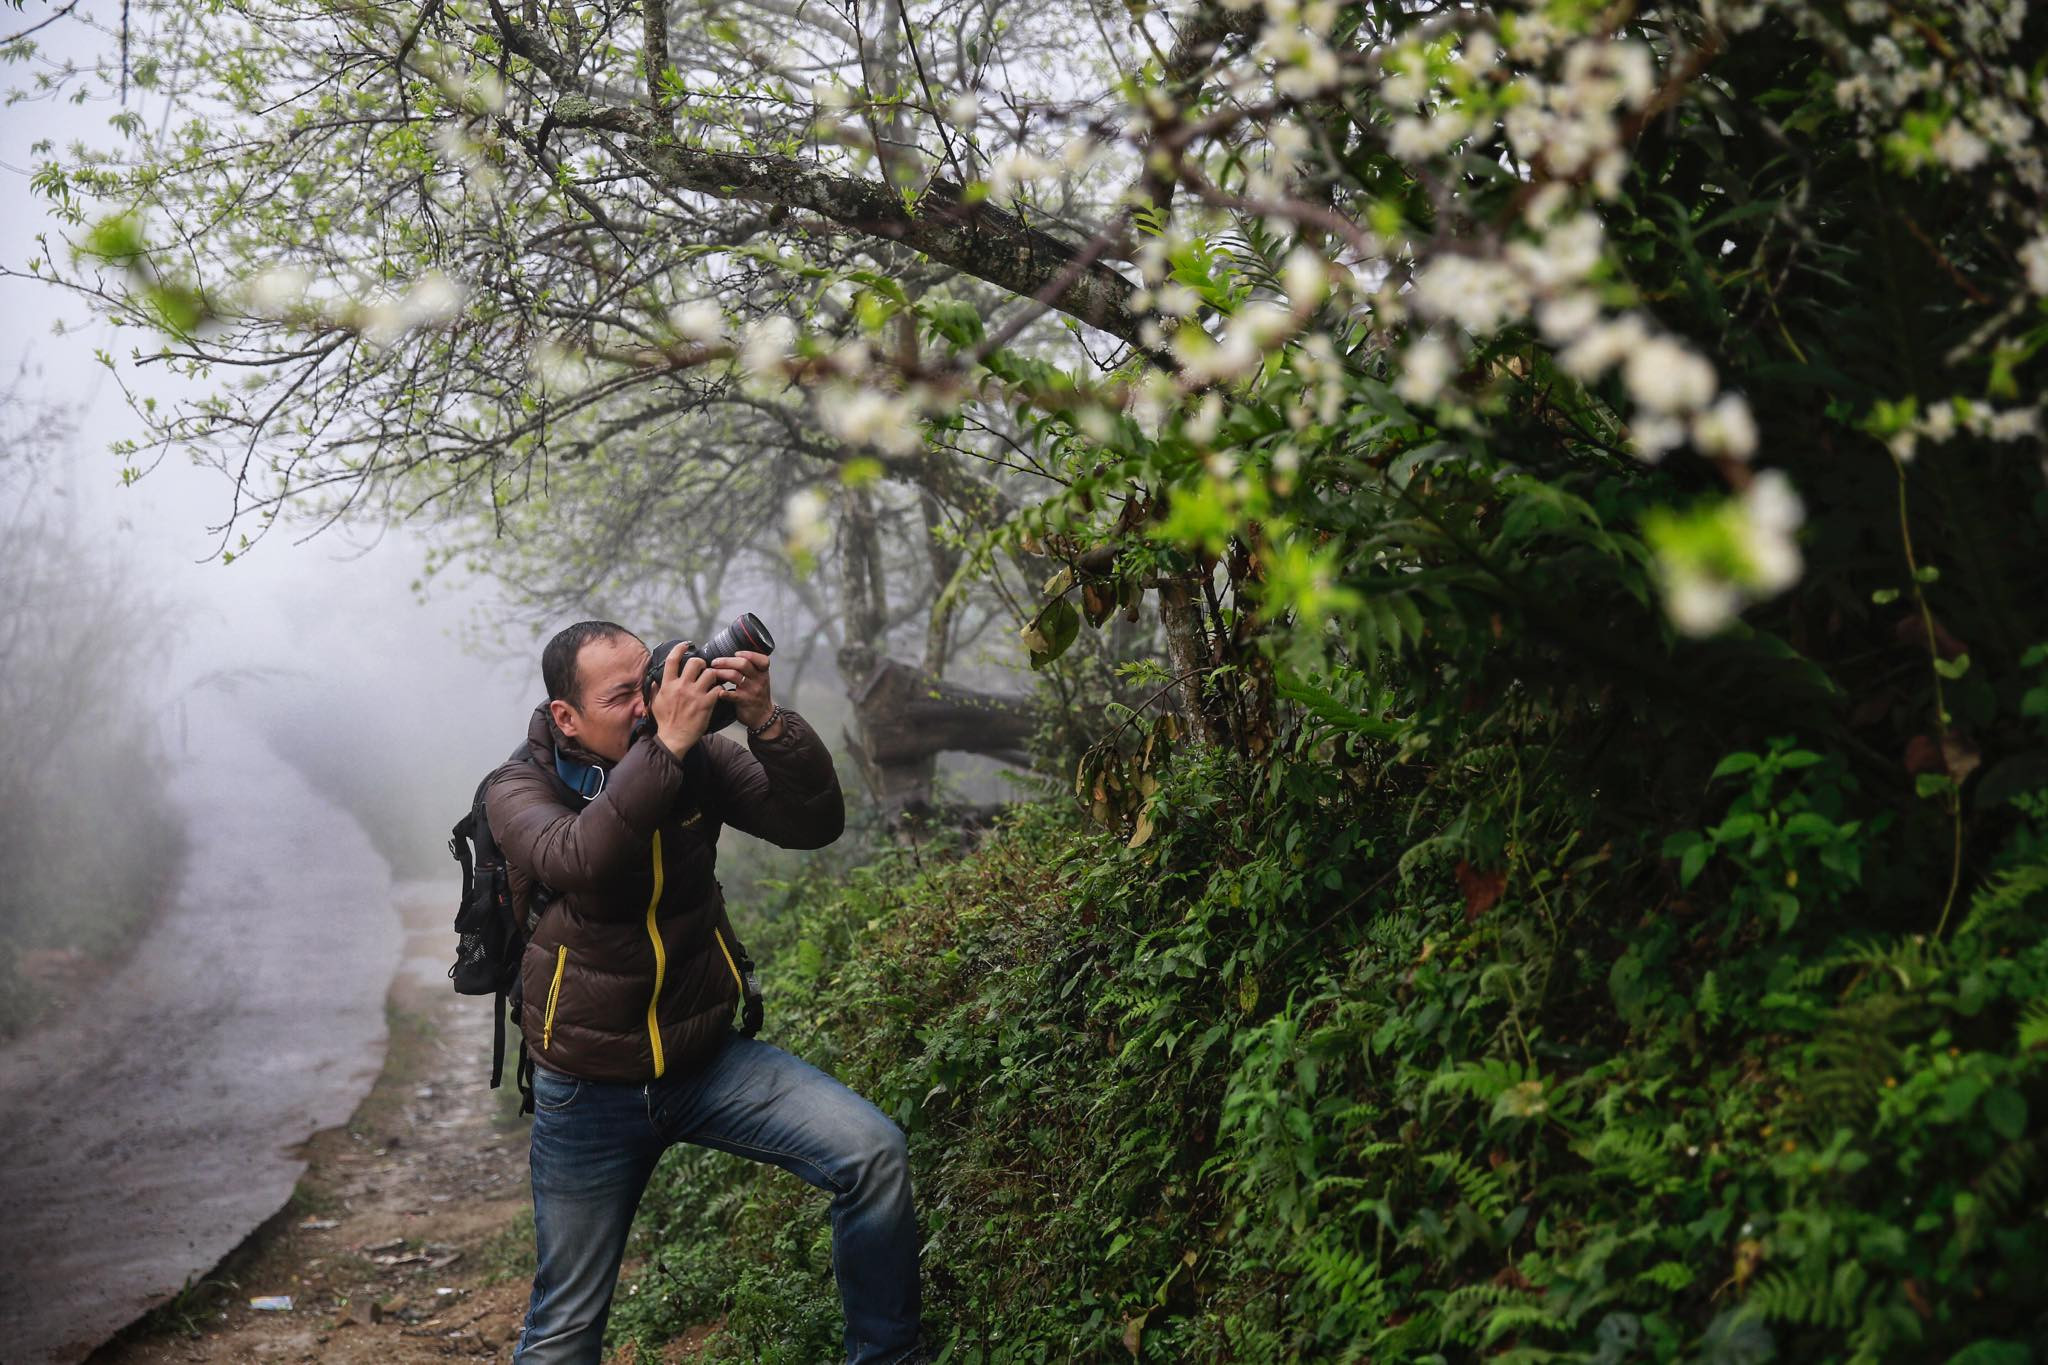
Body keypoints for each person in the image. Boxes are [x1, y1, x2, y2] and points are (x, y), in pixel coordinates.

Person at [485, 619, 924, 1364]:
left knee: (874, 1154)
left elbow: (814, 822)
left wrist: (766, 721)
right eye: (621, 694)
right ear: (566, 715)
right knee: (564, 1329)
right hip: (587, 1088)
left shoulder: (695, 759)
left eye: (646, 682)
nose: (643, 705)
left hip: (706, 1060)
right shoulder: (517, 787)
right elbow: (582, 859)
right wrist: (667, 745)